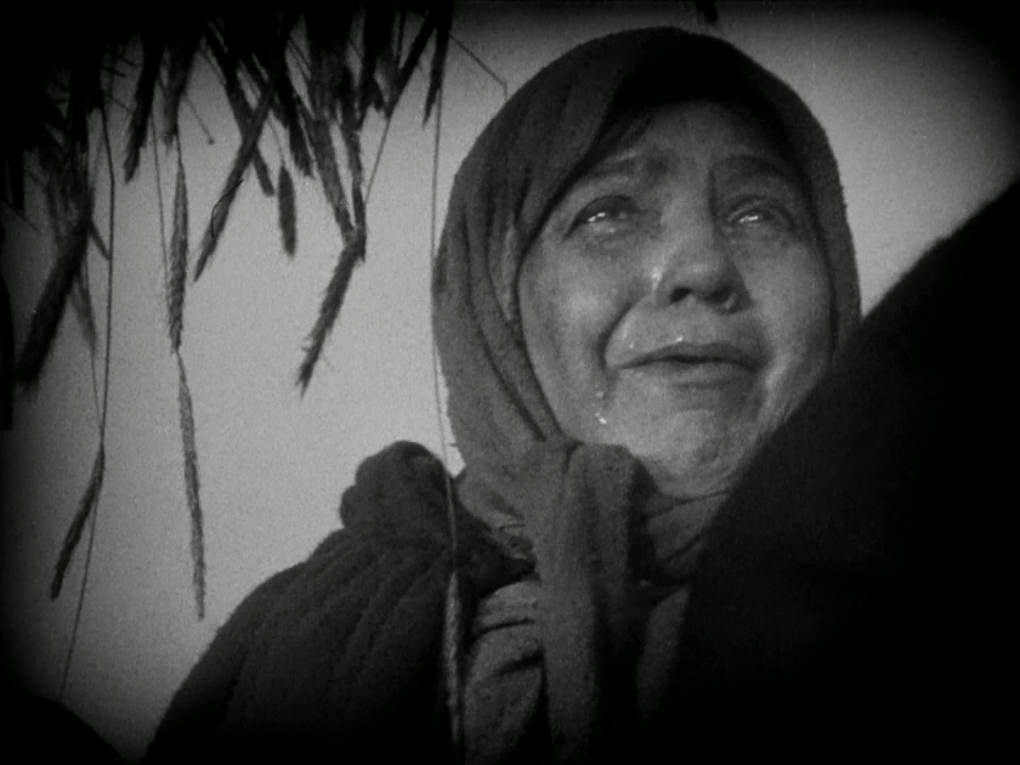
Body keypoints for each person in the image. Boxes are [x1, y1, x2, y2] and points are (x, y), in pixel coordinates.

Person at [146, 25, 1004, 761]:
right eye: (609, 213)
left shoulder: (943, 600)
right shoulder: (309, 637)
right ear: (496, 303)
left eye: (760, 215)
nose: (703, 266)